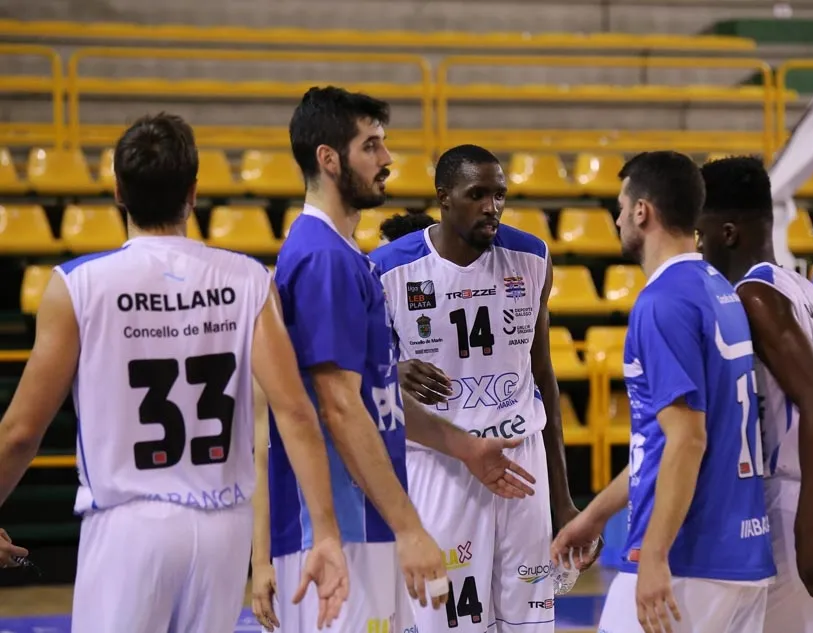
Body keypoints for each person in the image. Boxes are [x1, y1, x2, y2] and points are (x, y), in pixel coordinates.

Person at [0, 113, 348, 633]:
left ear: (118, 192)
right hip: (223, 530)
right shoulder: (250, 279)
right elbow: (296, 413)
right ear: (193, 192)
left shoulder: (77, 285)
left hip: (128, 523)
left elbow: (21, 432)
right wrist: (326, 532)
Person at [260, 87, 537, 633]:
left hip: (361, 524)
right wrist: (410, 526)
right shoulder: (324, 259)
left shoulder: (344, 256)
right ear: (328, 158)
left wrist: (464, 446)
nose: (387, 159)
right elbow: (340, 408)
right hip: (343, 530)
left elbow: (373, 398)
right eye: (371, 146)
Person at [551, 151, 775, 633]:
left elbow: (687, 440)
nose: (616, 219)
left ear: (641, 211)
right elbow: (660, 442)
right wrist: (594, 517)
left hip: (686, 559)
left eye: (619, 207)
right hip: (741, 557)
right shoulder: (718, 289)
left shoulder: (663, 301)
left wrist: (653, 555)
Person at [369, 144, 582, 633]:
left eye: (500, 195)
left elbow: (543, 375)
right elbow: (363, 380)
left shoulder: (532, 257)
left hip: (521, 460)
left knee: (530, 623)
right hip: (442, 462)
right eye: (478, 194)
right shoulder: (387, 269)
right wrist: (394, 370)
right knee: (449, 620)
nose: (492, 206)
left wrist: (563, 498)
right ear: (444, 197)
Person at [695, 156, 813, 632]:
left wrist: (807, 528)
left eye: (700, 233)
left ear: (728, 233)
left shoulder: (754, 296)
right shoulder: (810, 292)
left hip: (801, 501)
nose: (696, 246)